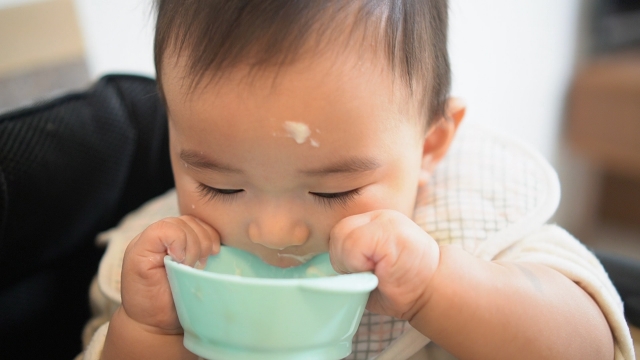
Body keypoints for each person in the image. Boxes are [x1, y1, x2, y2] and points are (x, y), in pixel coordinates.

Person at [79, 0, 636, 359]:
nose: (275, 231)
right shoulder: (164, 270)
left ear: (431, 145)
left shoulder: (470, 227)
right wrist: (151, 334)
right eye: (219, 185)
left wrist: (435, 284)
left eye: (332, 190)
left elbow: (591, 346)